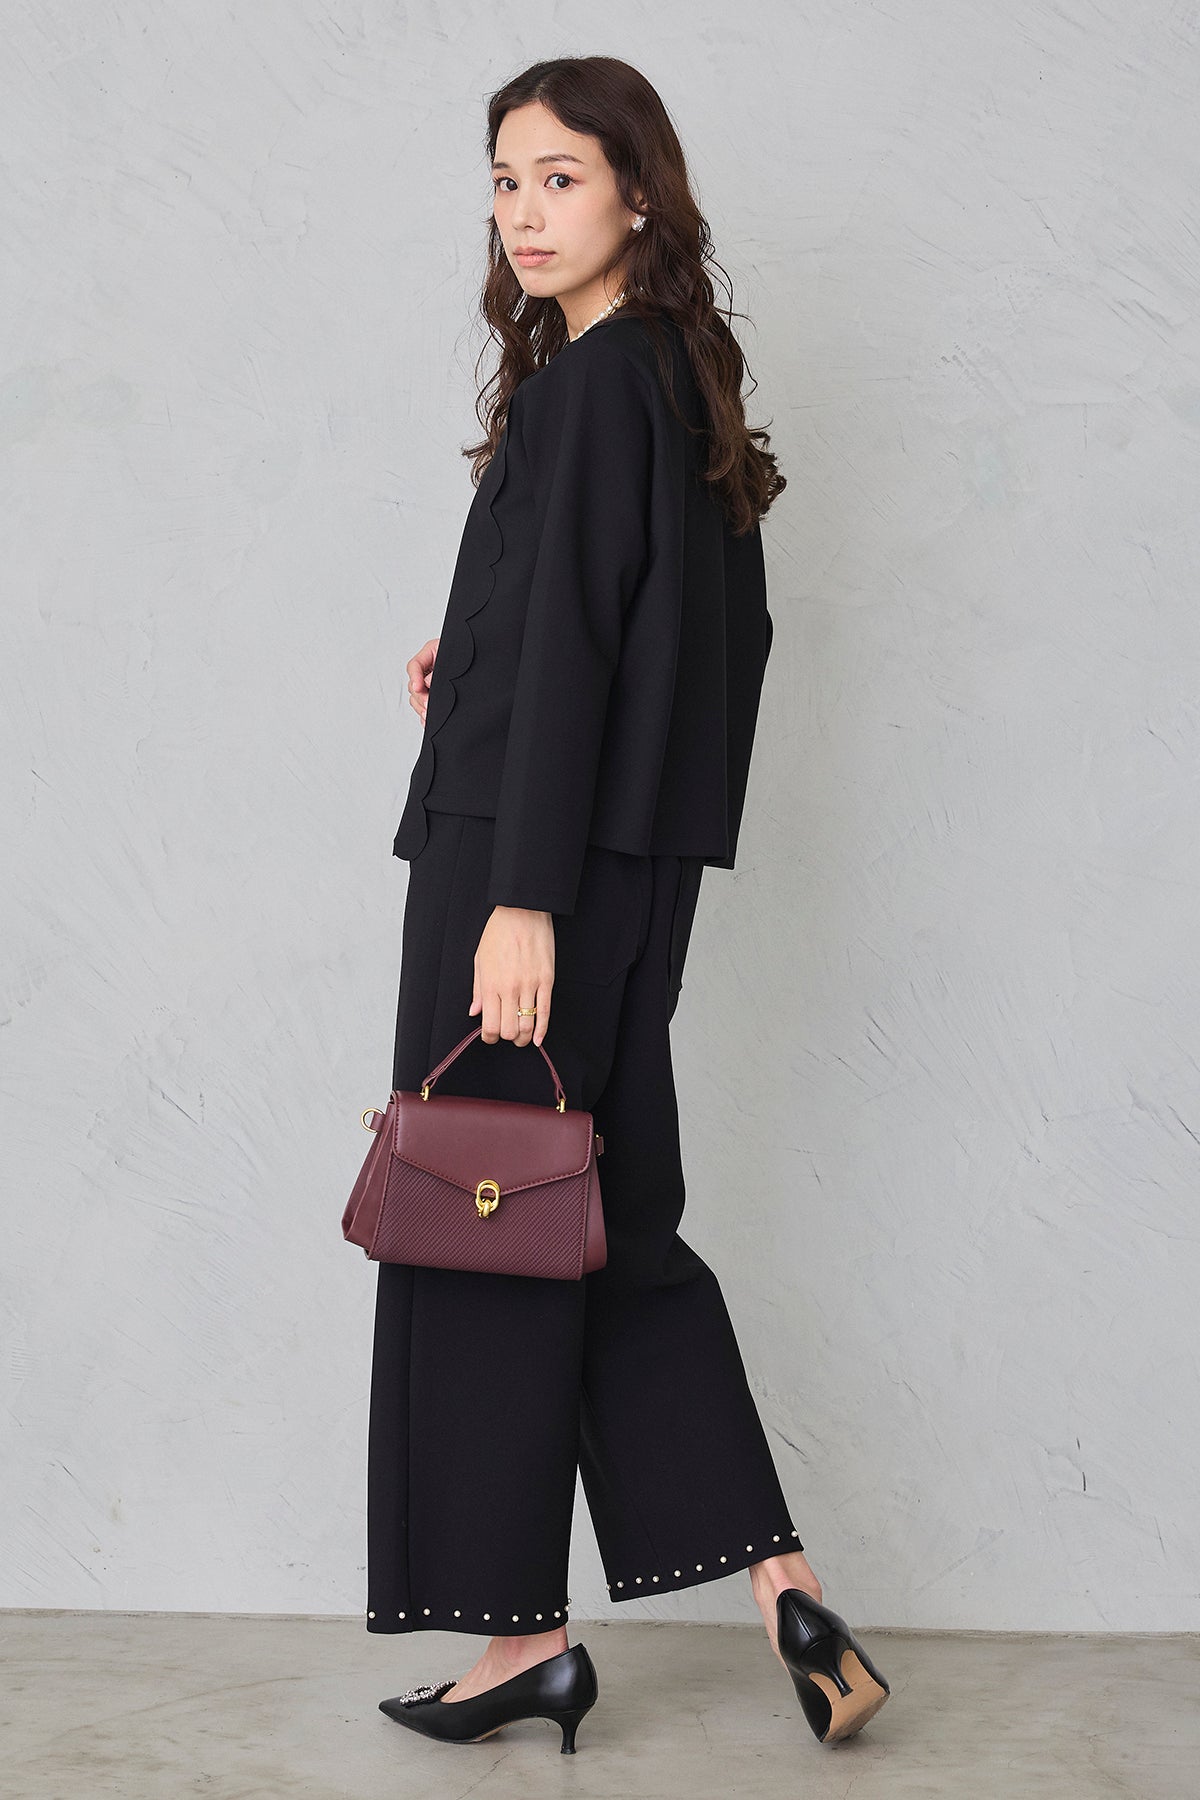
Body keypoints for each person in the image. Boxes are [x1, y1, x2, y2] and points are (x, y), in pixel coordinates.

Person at [365, 55, 891, 1755]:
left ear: (639, 193)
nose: (523, 213)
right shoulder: (672, 373)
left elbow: (589, 645)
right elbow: (683, 643)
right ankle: (786, 1586)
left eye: (561, 178)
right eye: (503, 180)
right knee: (609, 1225)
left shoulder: (594, 385)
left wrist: (521, 901)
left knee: (480, 1215)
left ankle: (521, 1640)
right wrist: (476, 660)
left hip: (523, 874)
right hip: (620, 871)